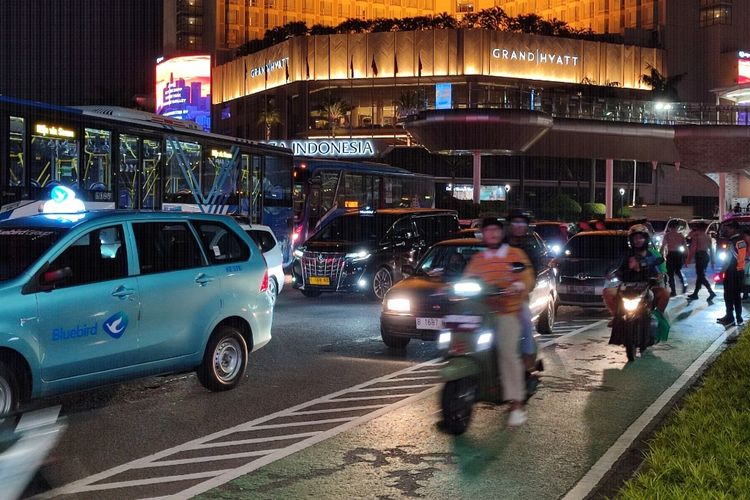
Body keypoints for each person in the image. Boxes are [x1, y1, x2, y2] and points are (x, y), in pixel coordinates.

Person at [463, 218, 535, 427]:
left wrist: (519, 284)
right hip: (481, 313)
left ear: (501, 233)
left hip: (507, 311)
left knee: (506, 352)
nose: (492, 234)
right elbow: (467, 279)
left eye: (495, 230)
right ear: (483, 234)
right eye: (488, 230)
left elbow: (527, 276)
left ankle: (516, 403)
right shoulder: (478, 259)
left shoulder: (515, 255)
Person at [603, 224, 670, 321]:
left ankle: (657, 317)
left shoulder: (653, 254)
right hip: (627, 288)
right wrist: (611, 273)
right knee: (607, 293)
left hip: (648, 287)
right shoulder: (625, 255)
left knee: (665, 293)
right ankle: (616, 318)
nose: (638, 240)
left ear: (646, 239)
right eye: (635, 238)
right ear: (631, 240)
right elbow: (613, 266)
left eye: (641, 238)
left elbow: (661, 268)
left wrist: (659, 275)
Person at [504, 210, 544, 371]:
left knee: (526, 323)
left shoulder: (530, 247)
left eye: (522, 223)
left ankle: (528, 360)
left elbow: (531, 274)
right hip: (495, 299)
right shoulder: (501, 245)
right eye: (515, 222)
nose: (518, 226)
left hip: (518, 299)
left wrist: (521, 286)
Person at [717, 220, 746, 326]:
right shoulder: (741, 241)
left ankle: (729, 317)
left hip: (732, 271)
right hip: (740, 271)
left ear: (733, 229)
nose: (726, 231)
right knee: (737, 295)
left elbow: (728, 259)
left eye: (728, 229)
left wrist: (721, 272)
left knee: (728, 294)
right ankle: (739, 317)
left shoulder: (732, 242)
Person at [686, 221, 716, 302]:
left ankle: (711, 292)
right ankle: (695, 294)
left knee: (701, 276)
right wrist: (713, 261)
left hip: (700, 256)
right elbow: (711, 250)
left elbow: (692, 248)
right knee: (700, 276)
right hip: (706, 256)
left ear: (698, 228)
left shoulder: (697, 236)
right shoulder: (707, 237)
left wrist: (688, 260)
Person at [661, 224, 687, 296]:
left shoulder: (667, 235)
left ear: (669, 228)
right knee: (678, 271)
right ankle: (684, 284)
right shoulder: (680, 236)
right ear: (677, 228)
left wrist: (661, 255)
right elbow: (685, 247)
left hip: (671, 254)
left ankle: (673, 291)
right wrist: (685, 257)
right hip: (679, 255)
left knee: (671, 273)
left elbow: (663, 246)